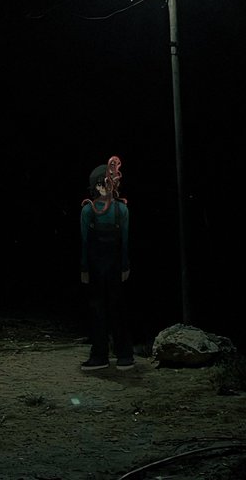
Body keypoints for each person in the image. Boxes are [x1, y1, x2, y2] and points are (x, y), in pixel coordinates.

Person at [80, 156, 134, 371]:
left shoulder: (121, 210)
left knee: (117, 308)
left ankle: (124, 354)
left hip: (113, 266)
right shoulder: (88, 211)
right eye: (103, 183)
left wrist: (125, 265)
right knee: (98, 310)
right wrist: (84, 268)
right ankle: (100, 355)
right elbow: (85, 243)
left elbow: (125, 241)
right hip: (96, 267)